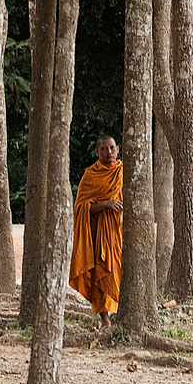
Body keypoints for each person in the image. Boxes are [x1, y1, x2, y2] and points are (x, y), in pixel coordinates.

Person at [69, 136, 123, 329]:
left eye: (112, 148)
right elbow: (81, 207)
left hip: (119, 230)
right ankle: (105, 319)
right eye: (104, 149)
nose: (109, 152)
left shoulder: (123, 172)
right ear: (97, 152)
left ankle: (122, 311)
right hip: (98, 233)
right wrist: (105, 204)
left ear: (118, 149)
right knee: (101, 272)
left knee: (120, 270)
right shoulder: (90, 175)